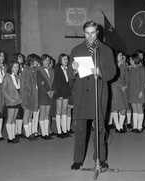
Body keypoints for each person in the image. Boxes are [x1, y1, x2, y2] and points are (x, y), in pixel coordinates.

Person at [68, 21, 116, 170]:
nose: (90, 36)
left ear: (97, 33)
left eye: (93, 32)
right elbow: (70, 74)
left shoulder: (106, 50)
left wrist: (100, 72)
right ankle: (78, 159)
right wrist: (74, 69)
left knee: (100, 128)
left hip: (99, 93)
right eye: (87, 33)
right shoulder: (76, 50)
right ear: (83, 32)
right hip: (81, 94)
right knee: (81, 128)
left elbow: (113, 72)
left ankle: (100, 158)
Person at [2, 60, 22, 143]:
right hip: (11, 100)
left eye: (17, 67)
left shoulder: (17, 76)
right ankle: (10, 138)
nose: (17, 68)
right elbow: (3, 89)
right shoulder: (7, 77)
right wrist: (10, 99)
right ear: (10, 68)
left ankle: (13, 135)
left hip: (17, 100)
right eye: (14, 67)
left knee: (14, 118)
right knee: (10, 119)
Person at [20, 54, 40, 140]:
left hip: (33, 95)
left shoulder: (33, 70)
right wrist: (29, 94)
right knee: (27, 114)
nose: (37, 63)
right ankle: (27, 134)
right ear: (31, 61)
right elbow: (25, 85)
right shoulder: (26, 70)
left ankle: (30, 132)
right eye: (36, 61)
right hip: (27, 96)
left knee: (30, 114)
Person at [109, 50, 129, 133]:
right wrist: (121, 85)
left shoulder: (124, 66)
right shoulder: (112, 65)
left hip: (123, 88)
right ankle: (117, 127)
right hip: (115, 88)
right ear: (116, 57)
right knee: (115, 109)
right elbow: (112, 78)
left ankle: (120, 126)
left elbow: (127, 77)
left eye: (122, 56)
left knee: (123, 109)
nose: (122, 57)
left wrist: (126, 85)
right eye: (120, 56)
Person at [53, 54, 72, 138]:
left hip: (66, 91)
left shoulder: (68, 69)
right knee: (59, 111)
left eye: (67, 59)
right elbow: (56, 83)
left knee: (64, 110)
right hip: (59, 92)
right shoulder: (57, 69)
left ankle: (64, 130)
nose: (66, 61)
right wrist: (58, 93)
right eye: (64, 59)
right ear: (60, 60)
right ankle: (59, 131)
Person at [37, 54, 55, 140]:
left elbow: (53, 82)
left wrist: (52, 91)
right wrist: (47, 91)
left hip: (50, 94)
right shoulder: (39, 71)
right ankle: (43, 133)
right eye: (45, 60)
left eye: (48, 60)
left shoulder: (51, 70)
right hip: (43, 94)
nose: (47, 62)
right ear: (42, 61)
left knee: (47, 113)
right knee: (43, 113)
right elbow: (39, 84)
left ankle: (46, 132)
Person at [128, 54, 145, 133]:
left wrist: (141, 91)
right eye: (130, 60)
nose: (130, 61)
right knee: (134, 109)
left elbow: (143, 81)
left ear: (135, 60)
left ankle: (140, 127)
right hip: (132, 91)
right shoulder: (130, 69)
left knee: (139, 108)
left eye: (131, 60)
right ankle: (135, 126)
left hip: (139, 90)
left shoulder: (141, 69)